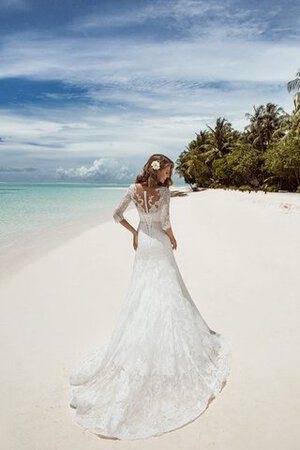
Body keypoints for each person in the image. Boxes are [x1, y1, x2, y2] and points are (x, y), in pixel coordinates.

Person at [68, 154, 232, 441]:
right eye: (168, 169)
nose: (170, 174)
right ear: (157, 170)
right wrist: (172, 238)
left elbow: (116, 215)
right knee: (168, 292)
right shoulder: (164, 192)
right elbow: (166, 221)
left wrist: (134, 232)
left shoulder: (133, 190)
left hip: (144, 242)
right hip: (157, 242)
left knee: (143, 293)